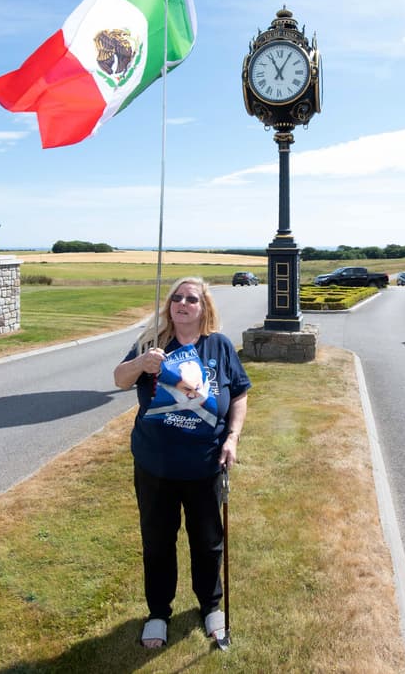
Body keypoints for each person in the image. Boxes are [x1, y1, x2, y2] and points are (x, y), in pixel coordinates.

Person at [113, 277, 249, 650]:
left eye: (192, 299)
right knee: (157, 541)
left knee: (208, 542)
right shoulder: (151, 344)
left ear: (204, 308)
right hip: (155, 464)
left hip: (205, 464)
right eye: (177, 298)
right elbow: (120, 379)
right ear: (169, 304)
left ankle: (211, 606)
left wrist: (232, 437)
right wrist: (141, 362)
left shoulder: (218, 346)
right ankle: (158, 613)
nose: (183, 303)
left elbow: (238, 394)